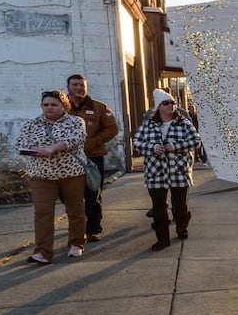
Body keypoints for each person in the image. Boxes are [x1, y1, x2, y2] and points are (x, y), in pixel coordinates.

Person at [16, 90, 88, 265]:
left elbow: (77, 138)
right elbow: (20, 143)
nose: (49, 108)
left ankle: (76, 243)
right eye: (46, 105)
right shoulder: (31, 124)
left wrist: (54, 148)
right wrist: (36, 150)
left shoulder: (75, 122)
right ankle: (42, 252)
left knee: (75, 209)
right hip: (42, 176)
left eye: (54, 105)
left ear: (63, 106)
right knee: (42, 213)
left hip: (71, 174)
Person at [132, 88, 200, 251]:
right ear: (158, 107)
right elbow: (136, 143)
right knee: (158, 208)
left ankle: (181, 228)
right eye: (166, 103)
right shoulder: (148, 124)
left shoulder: (183, 122)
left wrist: (175, 146)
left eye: (172, 103)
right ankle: (162, 238)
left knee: (180, 206)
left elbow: (195, 140)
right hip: (156, 173)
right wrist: (153, 147)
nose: (171, 105)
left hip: (178, 171)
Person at [66, 73, 118, 241]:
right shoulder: (61, 106)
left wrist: (92, 142)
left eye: (82, 85)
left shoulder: (99, 107)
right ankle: (76, 228)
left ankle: (94, 229)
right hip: (67, 159)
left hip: (92, 158)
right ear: (68, 87)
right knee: (71, 196)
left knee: (93, 193)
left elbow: (112, 129)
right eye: (75, 85)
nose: (79, 88)